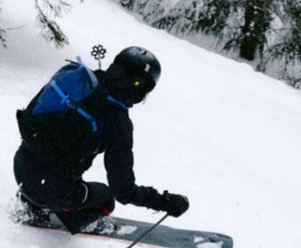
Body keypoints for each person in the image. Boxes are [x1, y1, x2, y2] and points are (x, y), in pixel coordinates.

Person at [13, 46, 190, 233]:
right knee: (105, 199)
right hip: (50, 190)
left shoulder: (85, 85)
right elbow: (123, 190)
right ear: (140, 87)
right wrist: (164, 202)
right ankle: (63, 219)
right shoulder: (117, 121)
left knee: (61, 170)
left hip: (22, 168)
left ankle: (34, 204)